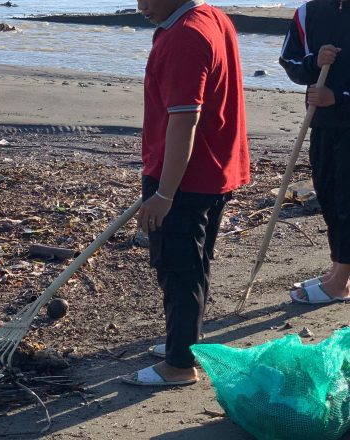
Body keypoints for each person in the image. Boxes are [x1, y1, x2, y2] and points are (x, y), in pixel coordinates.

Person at [121, 0, 250, 386]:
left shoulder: (186, 35)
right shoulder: (211, 16)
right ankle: (187, 341)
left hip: (186, 177)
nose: (139, 5)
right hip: (214, 169)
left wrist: (164, 193)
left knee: (178, 268)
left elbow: (184, 119)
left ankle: (179, 365)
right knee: (194, 263)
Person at [280, 0, 350, 305]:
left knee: (349, 200)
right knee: (329, 194)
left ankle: (341, 281)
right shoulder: (309, 12)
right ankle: (339, 267)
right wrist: (313, 63)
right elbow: (288, 60)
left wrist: (339, 98)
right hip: (321, 123)